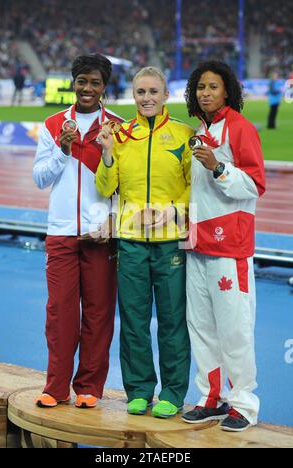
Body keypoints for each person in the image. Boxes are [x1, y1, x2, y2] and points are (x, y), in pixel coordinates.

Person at [95, 67, 193, 418]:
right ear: (133, 96)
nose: (147, 98)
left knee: (171, 320)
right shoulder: (119, 135)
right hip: (132, 241)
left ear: (166, 95)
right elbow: (105, 187)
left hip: (170, 243)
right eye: (141, 92)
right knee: (134, 319)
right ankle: (138, 390)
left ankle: (173, 391)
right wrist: (107, 153)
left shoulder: (184, 135)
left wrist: (172, 212)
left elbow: (193, 185)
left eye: (154, 91)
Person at [33, 54, 122, 409]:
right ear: (73, 82)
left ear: (104, 87)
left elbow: (123, 184)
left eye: (95, 82)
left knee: (99, 315)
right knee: (60, 314)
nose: (88, 89)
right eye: (82, 81)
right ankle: (55, 387)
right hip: (62, 234)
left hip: (100, 236)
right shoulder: (53, 124)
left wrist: (112, 221)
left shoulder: (116, 126)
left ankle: (89, 388)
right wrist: (62, 149)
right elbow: (40, 179)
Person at [182, 61, 265, 431]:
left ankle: (243, 403)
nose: (205, 93)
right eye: (200, 87)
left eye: (213, 87)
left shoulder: (241, 128)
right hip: (197, 243)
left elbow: (255, 185)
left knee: (234, 328)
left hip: (230, 245)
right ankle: (211, 397)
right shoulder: (201, 129)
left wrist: (219, 167)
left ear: (227, 91)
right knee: (200, 326)